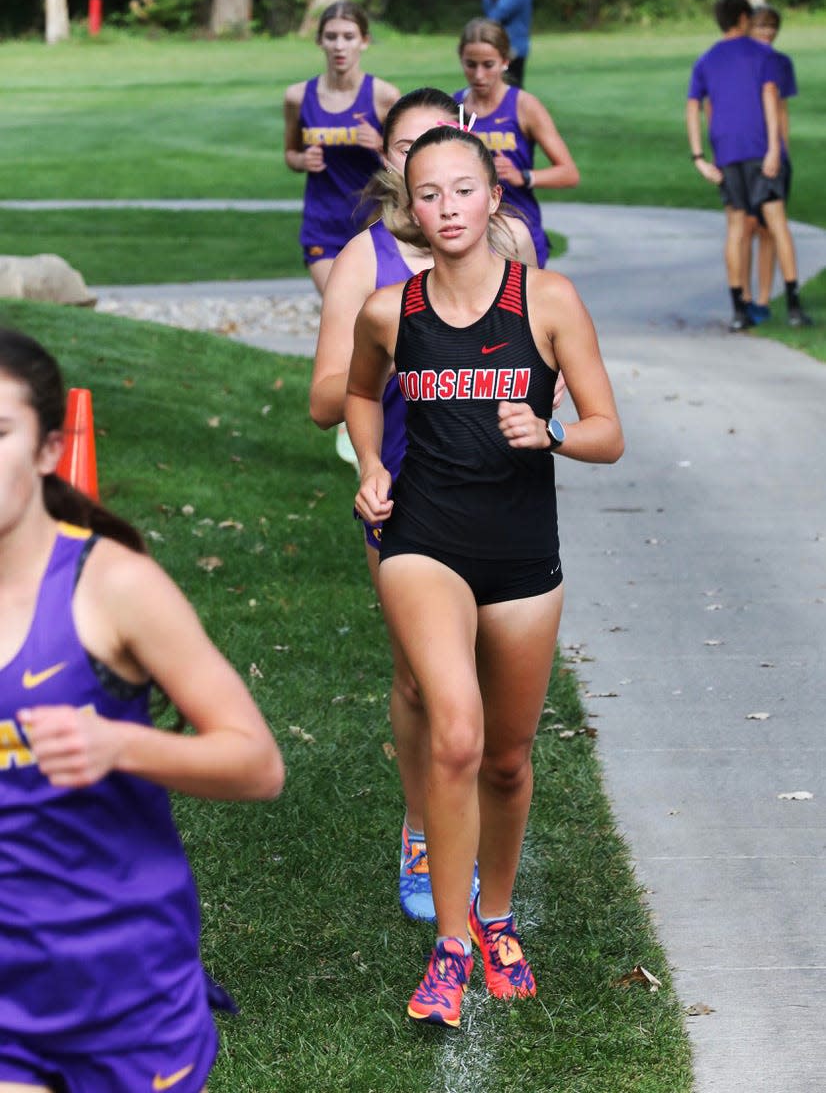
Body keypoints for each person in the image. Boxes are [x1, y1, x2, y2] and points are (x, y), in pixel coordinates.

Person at [344, 125, 623, 1027]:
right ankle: (453, 944)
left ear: (494, 197)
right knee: (456, 735)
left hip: (523, 556)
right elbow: (356, 394)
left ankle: (497, 918)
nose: (447, 208)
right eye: (428, 194)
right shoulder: (392, 312)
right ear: (410, 210)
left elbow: (607, 431)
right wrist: (371, 469)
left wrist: (551, 433)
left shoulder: (546, 301)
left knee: (505, 758)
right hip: (423, 541)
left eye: (463, 190)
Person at [0, 328, 285, 1092]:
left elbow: (257, 764)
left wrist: (118, 746)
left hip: (122, 991)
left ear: (49, 449)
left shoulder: (112, 586)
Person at [310, 87, 541, 924]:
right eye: (418, 165)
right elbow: (326, 399)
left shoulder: (509, 247)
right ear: (396, 171)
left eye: (453, 167)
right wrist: (411, 370)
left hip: (503, 497)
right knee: (424, 683)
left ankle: (486, 867)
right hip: (405, 497)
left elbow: (544, 358)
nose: (438, 186)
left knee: (493, 711)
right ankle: (423, 832)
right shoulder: (365, 270)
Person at [686, 0, 813, 331]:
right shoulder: (763, 56)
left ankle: (742, 308)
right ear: (744, 19)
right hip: (760, 150)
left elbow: (696, 106)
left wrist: (699, 156)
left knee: (739, 228)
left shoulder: (707, 59)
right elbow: (772, 100)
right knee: (772, 222)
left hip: (728, 154)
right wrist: (775, 149)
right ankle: (792, 303)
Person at [283, 1, 401, 294]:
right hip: (322, 224)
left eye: (348, 37)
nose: (339, 46)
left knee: (375, 317)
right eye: (331, 37)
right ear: (319, 41)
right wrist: (302, 159)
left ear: (364, 42)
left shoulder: (384, 96)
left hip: (375, 222)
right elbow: (290, 154)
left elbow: (408, 163)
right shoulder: (298, 97)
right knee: (342, 308)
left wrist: (378, 145)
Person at [454, 18, 579, 269]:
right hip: (468, 237)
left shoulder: (524, 106)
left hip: (519, 236)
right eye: (471, 64)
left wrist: (523, 176)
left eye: (488, 65)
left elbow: (569, 174)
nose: (479, 75)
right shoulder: (452, 107)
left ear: (505, 61)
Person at [742, 5, 798, 324]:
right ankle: (744, 297)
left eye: (773, 27)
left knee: (768, 230)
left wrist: (782, 150)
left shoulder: (780, 62)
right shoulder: (742, 62)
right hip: (745, 153)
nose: (768, 32)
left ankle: (763, 299)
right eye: (762, 26)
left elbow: (782, 110)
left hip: (773, 154)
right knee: (747, 226)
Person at [472, 0, 537, 88]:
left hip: (513, 47)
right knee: (507, 89)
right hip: (510, 45)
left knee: (510, 91)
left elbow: (495, 17)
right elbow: (494, 15)